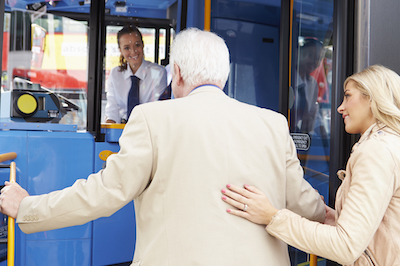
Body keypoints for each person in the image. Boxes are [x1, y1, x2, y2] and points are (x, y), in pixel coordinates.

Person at [0, 28, 325, 265]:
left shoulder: (152, 119)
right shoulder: (272, 123)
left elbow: (103, 194)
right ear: (224, 76)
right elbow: (304, 204)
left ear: (177, 73)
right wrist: (340, 218)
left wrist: (28, 208)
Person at [221, 64, 400, 266]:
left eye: (348, 96)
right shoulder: (388, 145)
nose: (340, 107)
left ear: (372, 99)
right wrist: (330, 217)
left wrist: (272, 216)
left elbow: (346, 246)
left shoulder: (376, 151)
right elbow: (379, 227)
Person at [105, 26, 167, 123]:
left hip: (148, 127)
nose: (133, 51)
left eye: (137, 45)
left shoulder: (158, 73)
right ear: (120, 50)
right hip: (121, 128)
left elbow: (156, 109)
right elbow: (112, 110)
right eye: (127, 48)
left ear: (142, 45)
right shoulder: (115, 74)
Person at [291, 38, 325, 134]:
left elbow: (313, 114)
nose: (314, 62)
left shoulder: (312, 84)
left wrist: (325, 140)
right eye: (310, 55)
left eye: (318, 59)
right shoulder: (288, 79)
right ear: (298, 53)